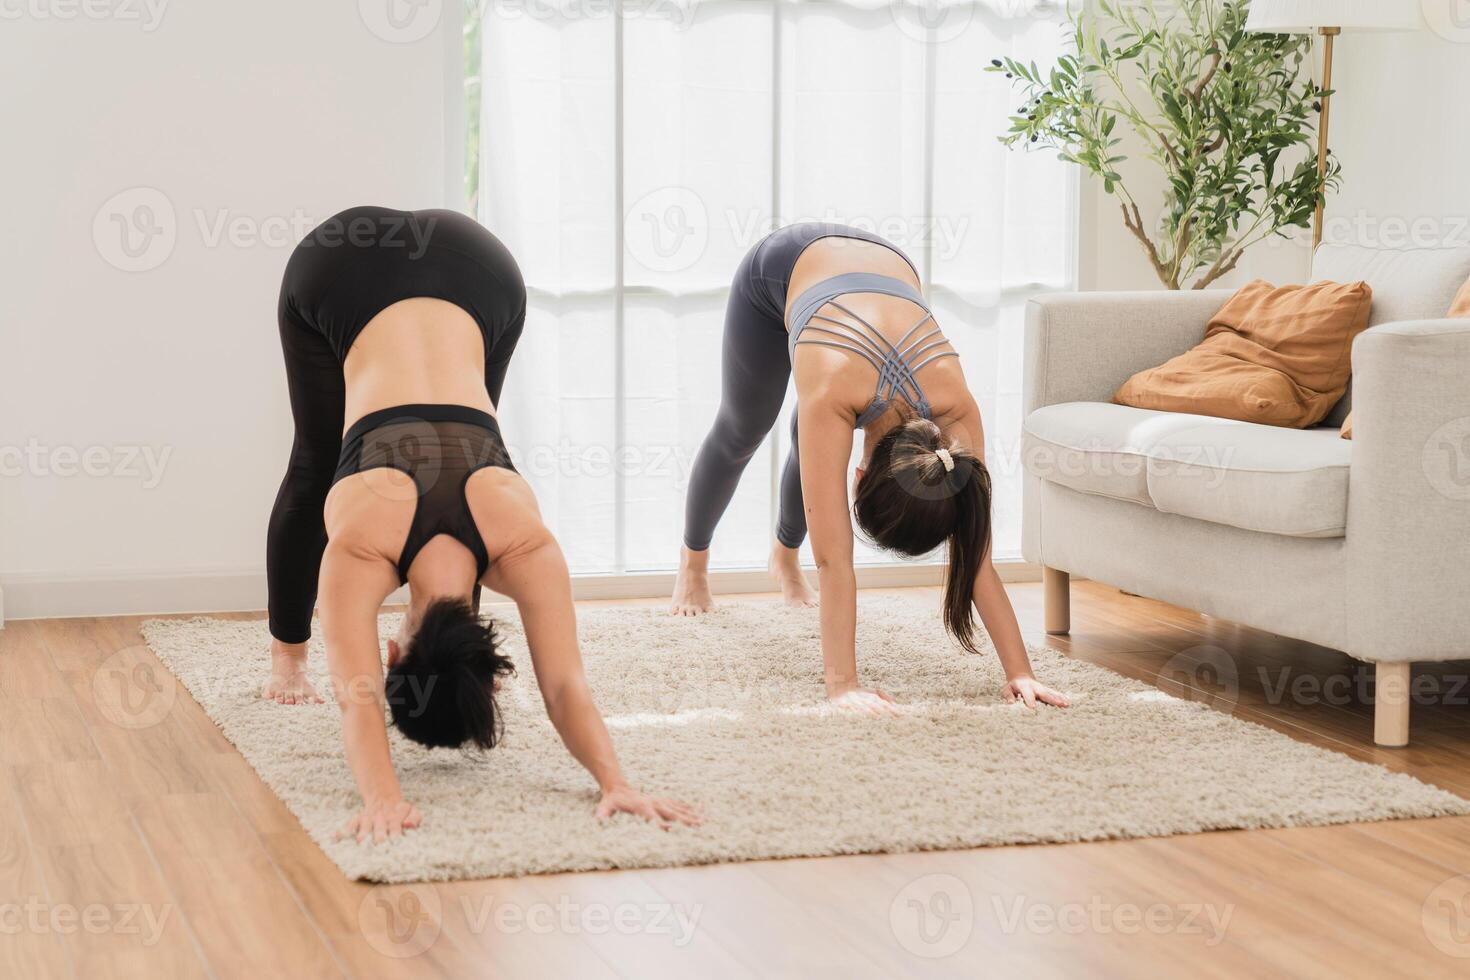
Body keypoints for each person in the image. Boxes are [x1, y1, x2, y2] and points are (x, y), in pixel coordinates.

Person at [267, 205, 698, 842]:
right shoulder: (359, 544)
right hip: (347, 263)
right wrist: (381, 798)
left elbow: (564, 686)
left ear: (491, 660)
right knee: (315, 461)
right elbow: (357, 696)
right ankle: (286, 660)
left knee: (315, 458)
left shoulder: (524, 543)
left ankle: (284, 662)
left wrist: (620, 781)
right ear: (394, 653)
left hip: (483, 271)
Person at [671, 223, 1069, 714]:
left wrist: (1020, 672)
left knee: (811, 434)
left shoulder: (956, 411)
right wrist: (843, 684)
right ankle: (693, 564)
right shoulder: (838, 393)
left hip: (883, 265)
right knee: (744, 428)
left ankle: (783, 554)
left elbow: (975, 555)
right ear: (857, 479)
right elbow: (836, 562)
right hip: (780, 269)